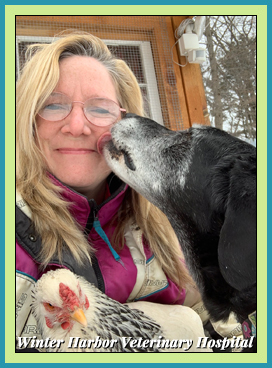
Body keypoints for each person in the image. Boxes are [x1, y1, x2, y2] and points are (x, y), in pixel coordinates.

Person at [16, 32, 240, 352]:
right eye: (53, 105)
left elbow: (225, 324)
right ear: (29, 122)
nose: (77, 126)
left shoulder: (172, 221)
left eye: (100, 108)